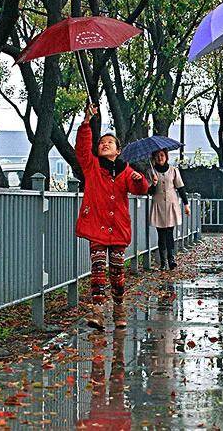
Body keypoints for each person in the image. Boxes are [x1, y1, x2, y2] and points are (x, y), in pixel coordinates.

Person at [76, 104, 149, 331]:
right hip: (97, 226)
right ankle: (97, 311)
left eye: (109, 142)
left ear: (118, 150)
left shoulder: (126, 170)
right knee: (98, 269)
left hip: (117, 228)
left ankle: (119, 307)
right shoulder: (92, 166)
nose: (104, 144)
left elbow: (140, 190)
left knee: (117, 272)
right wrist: (87, 122)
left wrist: (139, 180)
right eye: (101, 142)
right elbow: (81, 149)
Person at [147, 149, 191, 270]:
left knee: (169, 233)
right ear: (154, 158)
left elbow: (180, 188)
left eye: (162, 155)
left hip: (171, 204)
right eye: (157, 156)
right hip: (158, 205)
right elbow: (149, 192)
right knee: (161, 235)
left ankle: (171, 259)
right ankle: (162, 261)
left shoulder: (173, 170)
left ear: (166, 157)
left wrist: (186, 204)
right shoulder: (151, 171)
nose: (160, 158)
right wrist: (154, 184)